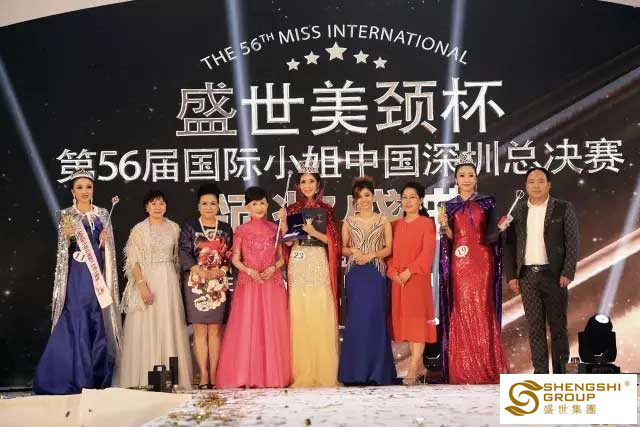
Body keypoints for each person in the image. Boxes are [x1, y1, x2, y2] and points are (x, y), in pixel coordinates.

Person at [33, 169, 122, 394]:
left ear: (93, 189)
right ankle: (76, 377)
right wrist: (66, 236)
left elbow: (108, 253)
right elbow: (62, 252)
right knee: (78, 317)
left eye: (88, 187)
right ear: (73, 191)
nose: (84, 191)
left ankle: (97, 376)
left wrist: (105, 242)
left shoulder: (102, 214)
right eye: (79, 187)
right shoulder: (67, 215)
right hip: (77, 277)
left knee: (96, 318)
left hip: (97, 277)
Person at [438, 152, 509, 384]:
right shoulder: (449, 206)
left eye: (470, 175)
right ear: (455, 179)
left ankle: (486, 366)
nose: (466, 179)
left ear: (476, 178)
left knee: (482, 306)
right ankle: (464, 368)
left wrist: (501, 227)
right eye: (462, 175)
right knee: (462, 306)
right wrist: (445, 228)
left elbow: (492, 235)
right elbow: (451, 239)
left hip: (482, 259)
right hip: (459, 261)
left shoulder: (487, 202)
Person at [502, 167, 579, 374]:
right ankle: (540, 374)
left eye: (541, 181)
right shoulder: (517, 211)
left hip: (554, 276)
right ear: (526, 185)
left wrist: (568, 272)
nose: (536, 185)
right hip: (527, 276)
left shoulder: (562, 208)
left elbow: (572, 241)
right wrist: (512, 276)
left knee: (558, 327)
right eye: (531, 181)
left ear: (549, 184)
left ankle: (561, 374)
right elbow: (509, 245)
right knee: (535, 328)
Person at [115, 190, 192, 389]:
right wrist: (142, 285)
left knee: (168, 325)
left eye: (161, 203)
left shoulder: (174, 228)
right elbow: (133, 261)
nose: (158, 207)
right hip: (147, 280)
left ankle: (171, 378)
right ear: (146, 207)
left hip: (169, 282)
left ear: (166, 206)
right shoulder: (139, 230)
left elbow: (178, 258)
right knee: (146, 325)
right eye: (153, 203)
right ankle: (143, 378)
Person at [216, 187, 290, 388]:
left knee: (272, 329)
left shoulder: (275, 229)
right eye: (254, 204)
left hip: (271, 283)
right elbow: (235, 259)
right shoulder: (241, 230)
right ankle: (246, 376)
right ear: (247, 207)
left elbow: (283, 258)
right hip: (249, 285)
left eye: (262, 203)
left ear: (267, 205)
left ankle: (272, 376)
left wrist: (273, 268)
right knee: (248, 328)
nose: (259, 207)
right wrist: (250, 272)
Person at [277, 164, 341, 387]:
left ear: (318, 184)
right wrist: (283, 222)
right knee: (300, 312)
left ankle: (323, 370)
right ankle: (301, 371)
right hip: (298, 262)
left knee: (320, 309)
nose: (307, 186)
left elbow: (334, 242)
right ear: (298, 185)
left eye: (311, 181)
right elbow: (289, 243)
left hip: (319, 261)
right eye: (303, 182)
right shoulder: (292, 208)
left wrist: (314, 232)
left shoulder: (326, 209)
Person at [338, 177, 396, 386]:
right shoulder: (348, 222)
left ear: (373, 196)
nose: (363, 199)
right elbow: (342, 248)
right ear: (354, 200)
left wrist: (372, 255)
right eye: (359, 196)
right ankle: (355, 372)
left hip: (375, 273)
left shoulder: (383, 220)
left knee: (376, 319)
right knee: (356, 320)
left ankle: (378, 372)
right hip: (355, 274)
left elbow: (389, 248)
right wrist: (353, 252)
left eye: (367, 195)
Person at [179, 183, 233, 389]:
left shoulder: (225, 228)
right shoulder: (190, 226)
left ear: (218, 206)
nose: (209, 207)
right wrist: (199, 270)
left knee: (216, 331)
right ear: (198, 206)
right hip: (196, 283)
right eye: (204, 203)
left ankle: (215, 374)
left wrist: (222, 270)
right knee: (200, 330)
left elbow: (230, 255)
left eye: (212, 203)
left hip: (218, 283)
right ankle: (203, 375)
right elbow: (184, 252)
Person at [387, 181, 437, 385]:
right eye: (405, 197)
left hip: (417, 279)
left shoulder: (427, 224)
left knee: (417, 324)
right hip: (399, 281)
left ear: (421, 200)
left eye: (413, 197)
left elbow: (427, 253)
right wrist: (392, 271)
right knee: (407, 324)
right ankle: (421, 368)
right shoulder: (395, 225)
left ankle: (413, 368)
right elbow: (388, 253)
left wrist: (410, 271)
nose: (408, 201)